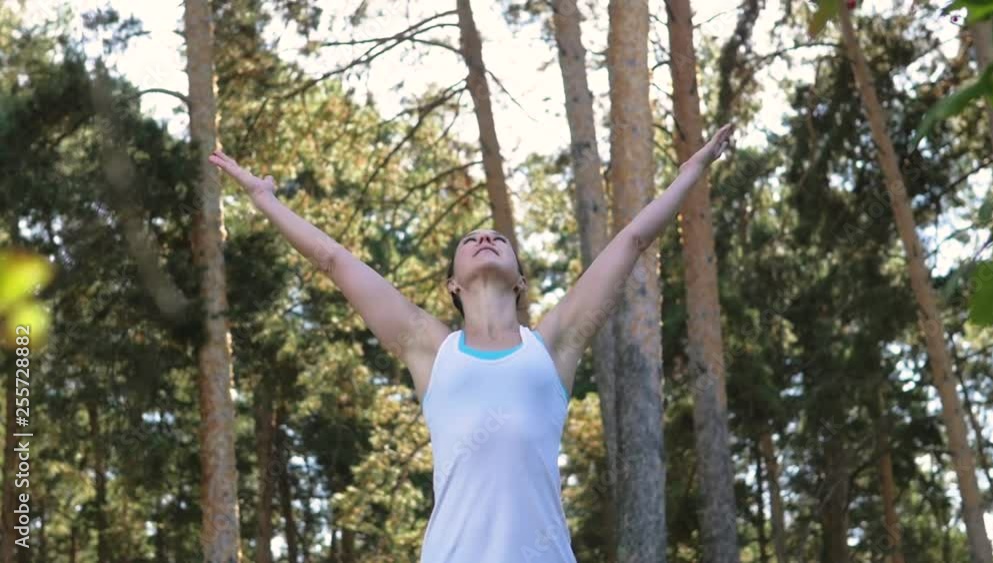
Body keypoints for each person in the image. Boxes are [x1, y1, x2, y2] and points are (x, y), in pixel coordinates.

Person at [208, 122, 734, 562]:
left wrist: (690, 173)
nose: (485, 238)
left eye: (498, 239)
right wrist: (264, 200)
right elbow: (334, 260)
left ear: (520, 281)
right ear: (452, 286)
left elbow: (633, 240)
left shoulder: (551, 346)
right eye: (471, 240)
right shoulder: (429, 349)